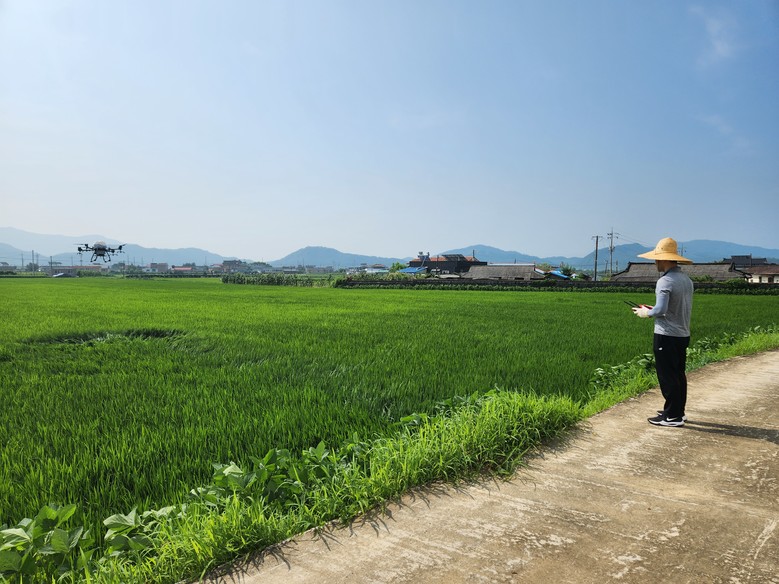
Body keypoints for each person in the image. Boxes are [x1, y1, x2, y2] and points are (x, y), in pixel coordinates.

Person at [632, 237, 694, 427]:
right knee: (678, 374)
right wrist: (654, 309)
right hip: (682, 334)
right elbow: (671, 307)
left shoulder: (665, 281)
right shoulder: (686, 280)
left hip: (666, 335)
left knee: (667, 376)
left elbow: (661, 310)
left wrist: (646, 313)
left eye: (657, 259)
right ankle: (677, 411)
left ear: (664, 259)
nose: (655, 263)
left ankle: (672, 417)